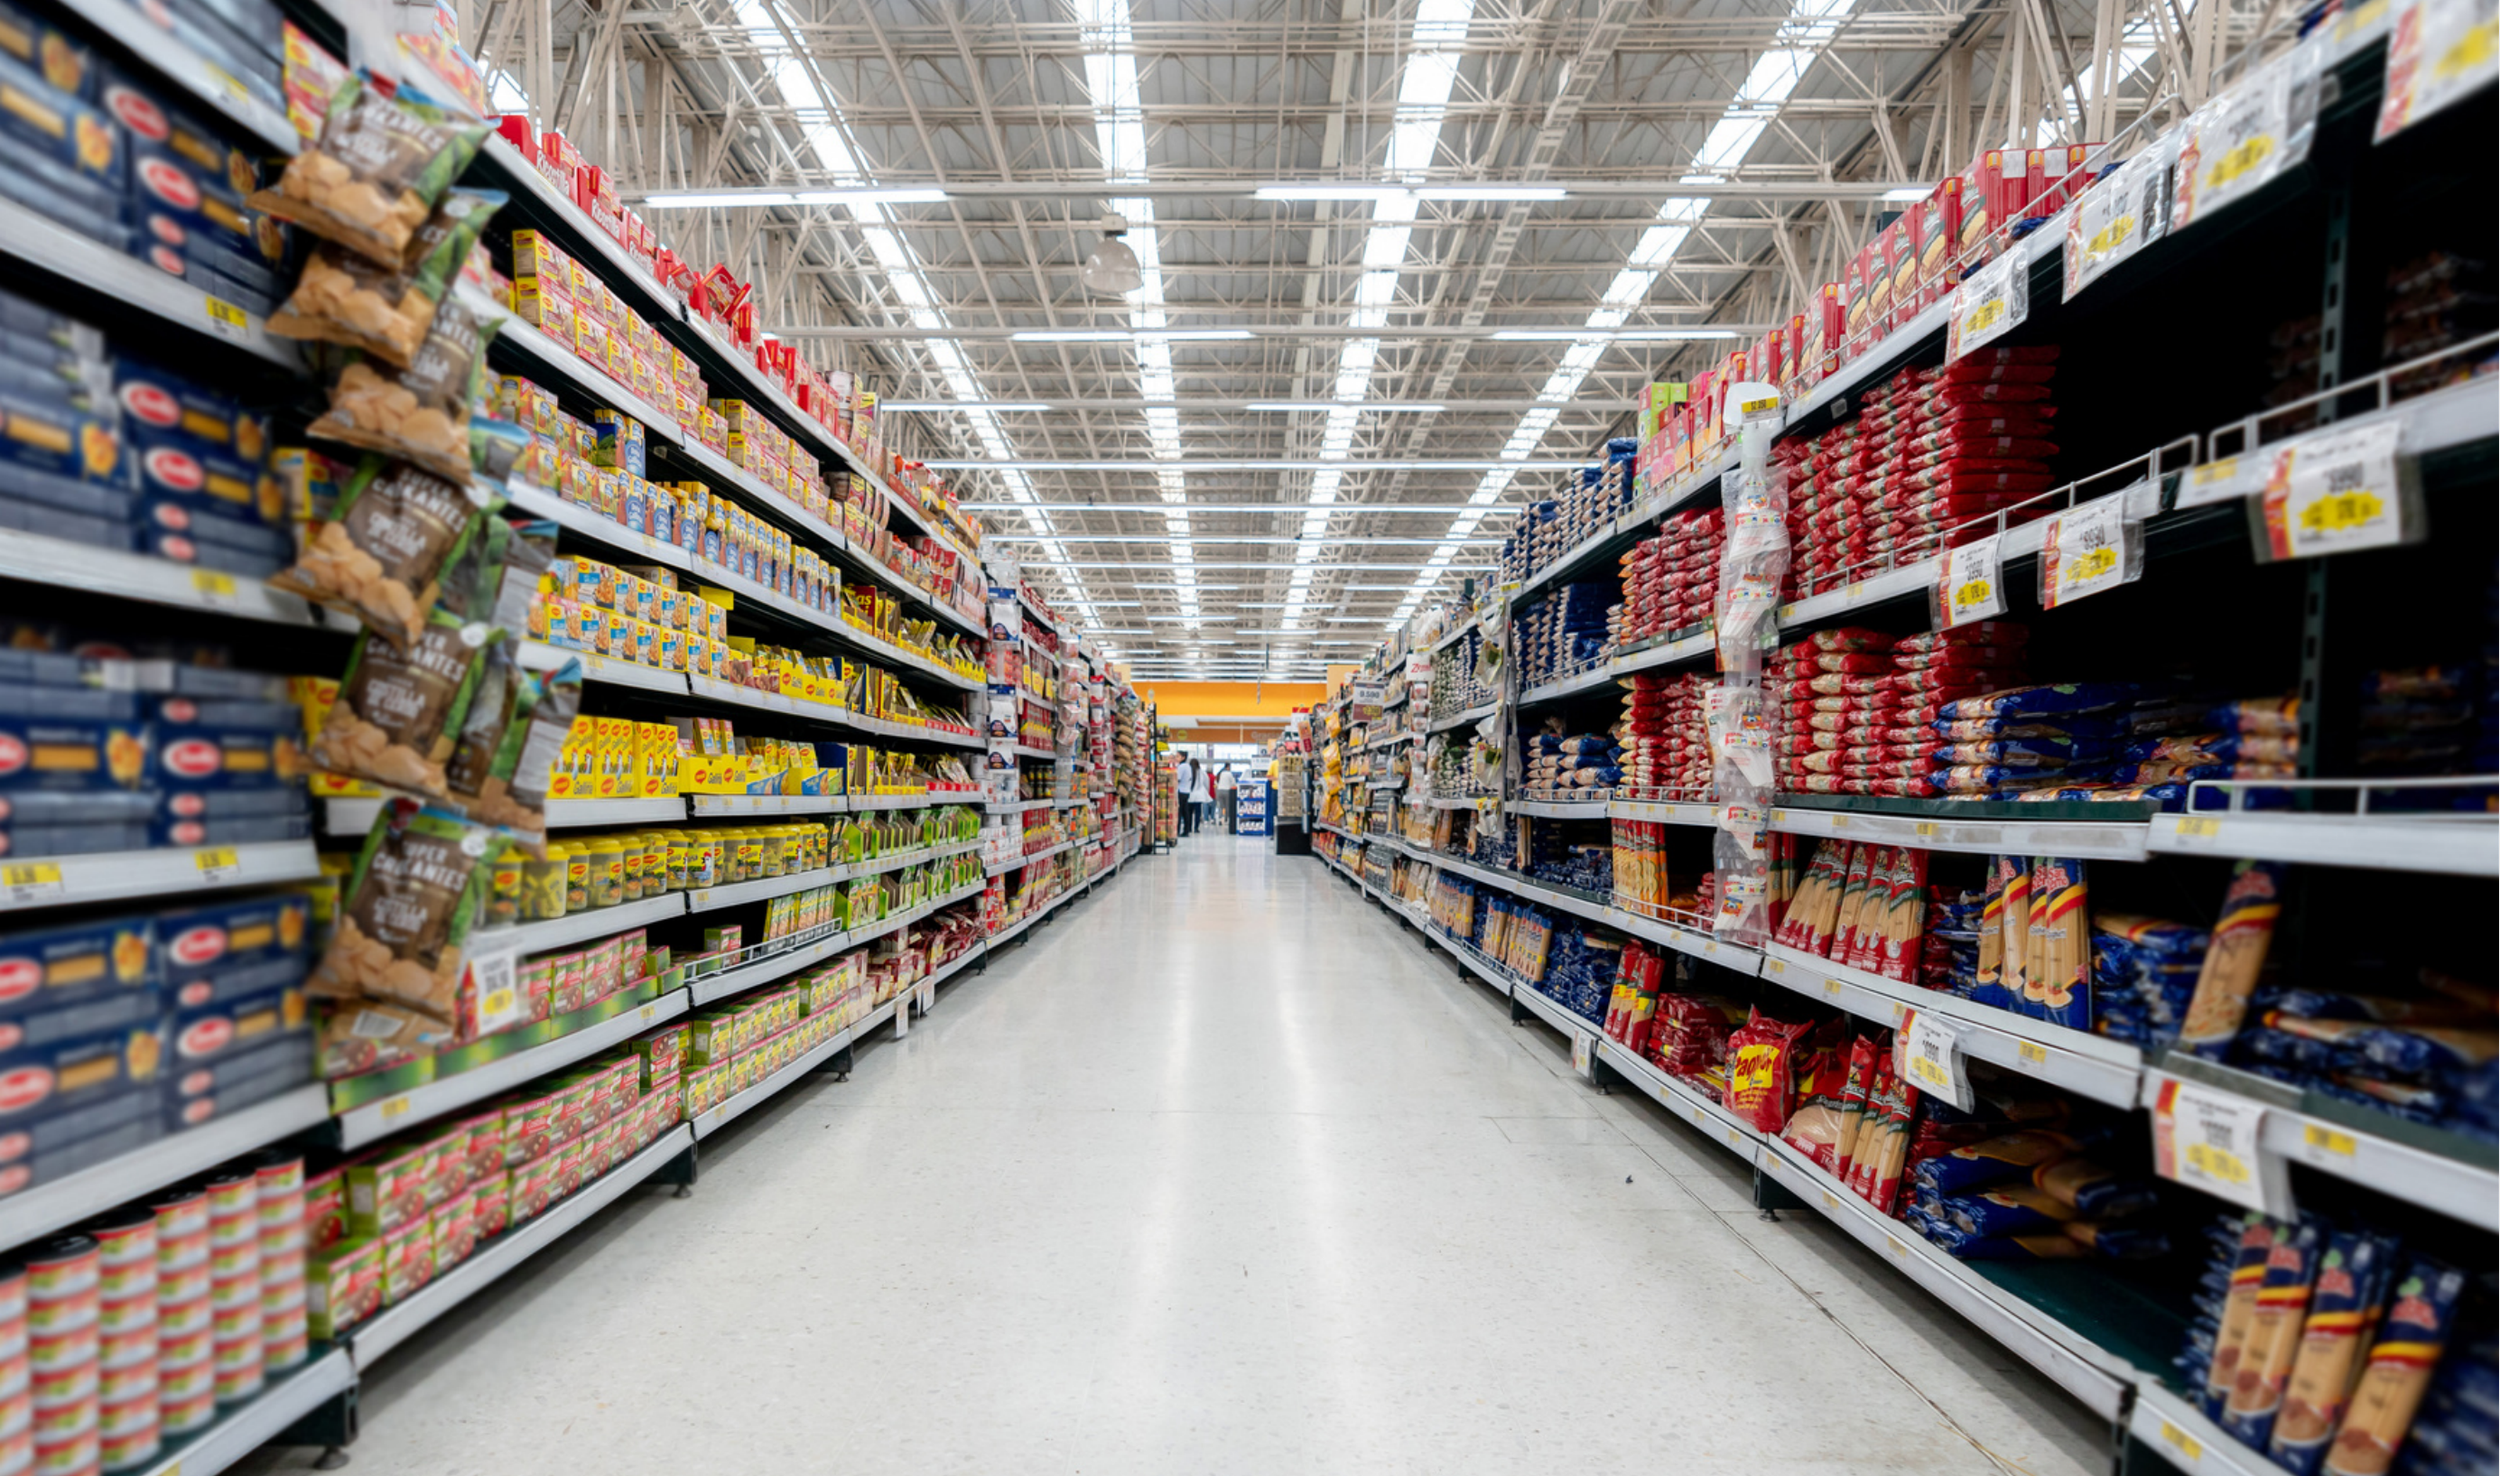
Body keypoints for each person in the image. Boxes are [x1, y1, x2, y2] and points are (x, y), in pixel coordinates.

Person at [1175, 756, 1201, 837]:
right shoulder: (1199, 772)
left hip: (1183, 792)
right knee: (1194, 812)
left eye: (1178, 756)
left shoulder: (1183, 767)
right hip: (1192, 793)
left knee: (1185, 812)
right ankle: (1194, 828)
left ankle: (1186, 829)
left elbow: (1178, 779)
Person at [1215, 763, 1238, 833]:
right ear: (1228, 767)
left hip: (1219, 791)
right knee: (1228, 806)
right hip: (1227, 791)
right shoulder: (1229, 774)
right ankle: (1227, 819)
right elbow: (1233, 783)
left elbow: (1216, 782)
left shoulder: (1220, 773)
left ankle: (1220, 819)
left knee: (1221, 806)